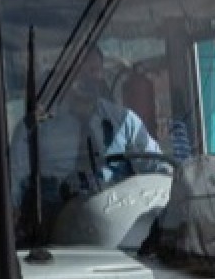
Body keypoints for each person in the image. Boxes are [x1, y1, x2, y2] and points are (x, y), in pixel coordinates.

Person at [10, 48, 162, 230]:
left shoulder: (123, 121)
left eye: (95, 71)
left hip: (119, 225)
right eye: (80, 72)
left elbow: (156, 165)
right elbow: (15, 180)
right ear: (64, 75)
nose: (90, 78)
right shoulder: (36, 128)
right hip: (54, 227)